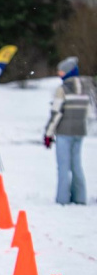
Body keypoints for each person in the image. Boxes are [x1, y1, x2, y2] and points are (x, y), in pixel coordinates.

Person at [44, 56, 91, 205]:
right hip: (80, 132)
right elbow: (88, 113)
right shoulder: (85, 88)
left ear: (68, 72)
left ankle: (62, 199)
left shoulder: (62, 89)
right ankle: (80, 197)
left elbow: (56, 113)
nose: (59, 74)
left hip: (64, 133)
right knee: (76, 165)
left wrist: (48, 134)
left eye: (61, 72)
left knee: (63, 166)